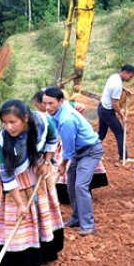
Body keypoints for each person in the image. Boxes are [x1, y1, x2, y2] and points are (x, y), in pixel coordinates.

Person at [0, 99, 64, 266]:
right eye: (5, 123)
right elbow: (6, 174)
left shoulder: (42, 122)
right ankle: (21, 258)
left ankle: (43, 251)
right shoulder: (3, 140)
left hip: (36, 170)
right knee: (19, 216)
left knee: (40, 209)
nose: (9, 127)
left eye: (13, 122)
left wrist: (46, 161)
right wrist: (20, 204)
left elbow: (52, 138)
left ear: (26, 119)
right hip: (15, 183)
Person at [42, 86, 104, 236]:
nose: (47, 107)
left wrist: (62, 164)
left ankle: (88, 225)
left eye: (51, 103)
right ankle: (77, 217)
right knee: (71, 185)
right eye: (45, 103)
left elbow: (67, 149)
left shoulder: (66, 120)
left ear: (60, 101)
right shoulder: (58, 111)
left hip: (90, 151)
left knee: (80, 186)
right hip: (79, 150)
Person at [98, 64, 134, 164]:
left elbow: (116, 86)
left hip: (101, 106)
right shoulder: (117, 86)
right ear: (125, 73)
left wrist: (124, 89)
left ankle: (90, 152)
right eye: (130, 76)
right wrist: (122, 116)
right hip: (107, 111)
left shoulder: (114, 77)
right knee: (120, 132)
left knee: (101, 133)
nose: (130, 78)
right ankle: (123, 157)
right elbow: (115, 104)